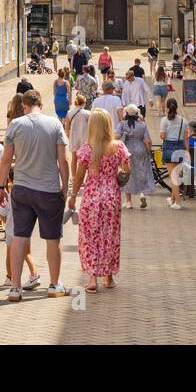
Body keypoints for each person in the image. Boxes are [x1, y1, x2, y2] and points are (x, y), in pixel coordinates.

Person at [0, 89, 70, 301]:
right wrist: (65, 187)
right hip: (48, 189)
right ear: (41, 104)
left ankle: (16, 288)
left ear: (25, 106)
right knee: (53, 239)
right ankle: (55, 285)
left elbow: (5, 160)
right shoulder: (55, 124)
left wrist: (1, 188)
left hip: (22, 189)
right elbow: (63, 160)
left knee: (19, 238)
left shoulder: (15, 125)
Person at [68, 108, 128, 292]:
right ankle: (108, 278)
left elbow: (79, 176)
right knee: (110, 236)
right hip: (112, 196)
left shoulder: (87, 149)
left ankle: (92, 279)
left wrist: (72, 195)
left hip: (92, 196)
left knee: (90, 236)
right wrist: (115, 174)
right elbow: (127, 171)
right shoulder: (118, 147)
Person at [0, 172, 41, 291]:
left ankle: (10, 277)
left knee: (10, 254)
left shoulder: (8, 196)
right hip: (26, 228)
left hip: (12, 231)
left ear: (10, 181)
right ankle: (34, 274)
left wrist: (7, 222)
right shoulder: (28, 196)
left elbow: (1, 214)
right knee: (27, 253)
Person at [117, 105, 155, 208]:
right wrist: (149, 151)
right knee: (141, 171)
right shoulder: (142, 125)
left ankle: (128, 202)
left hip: (127, 150)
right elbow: (147, 140)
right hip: (140, 149)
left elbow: (116, 136)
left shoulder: (122, 124)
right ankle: (141, 193)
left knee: (127, 173)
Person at [159, 98, 188, 209]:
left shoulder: (164, 120)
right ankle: (172, 199)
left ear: (167, 107)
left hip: (169, 147)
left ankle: (178, 202)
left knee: (173, 177)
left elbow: (162, 136)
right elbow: (186, 138)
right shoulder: (183, 120)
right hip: (180, 147)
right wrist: (187, 152)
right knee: (176, 175)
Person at [66, 93, 91, 179]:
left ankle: (73, 177)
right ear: (84, 103)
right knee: (86, 159)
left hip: (74, 138)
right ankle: (85, 178)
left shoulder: (70, 113)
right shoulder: (88, 113)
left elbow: (66, 128)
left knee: (74, 159)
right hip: (85, 139)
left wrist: (69, 137)